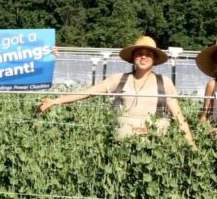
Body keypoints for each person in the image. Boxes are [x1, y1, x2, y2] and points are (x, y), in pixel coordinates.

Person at [37, 36, 198, 150]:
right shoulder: (118, 79)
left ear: (154, 59)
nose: (144, 57)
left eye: (148, 54)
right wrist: (55, 101)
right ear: (133, 58)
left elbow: (178, 116)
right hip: (122, 145)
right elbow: (88, 92)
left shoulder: (164, 82)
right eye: (139, 53)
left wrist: (192, 145)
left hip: (155, 147)